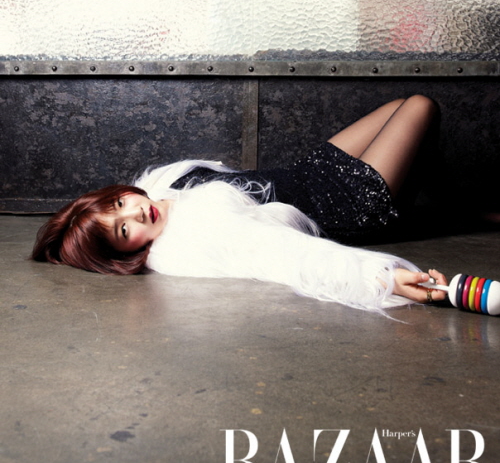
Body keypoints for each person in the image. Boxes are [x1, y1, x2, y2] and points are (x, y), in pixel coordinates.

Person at [32, 96, 448, 313]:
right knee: (420, 106)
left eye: (120, 203)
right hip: (344, 203)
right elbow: (293, 257)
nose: (135, 212)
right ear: (127, 255)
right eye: (124, 229)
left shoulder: (163, 185)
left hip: (306, 175)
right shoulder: (200, 234)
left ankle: (413, 205)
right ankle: (397, 209)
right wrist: (383, 279)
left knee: (398, 108)